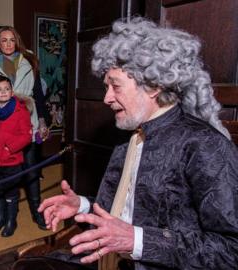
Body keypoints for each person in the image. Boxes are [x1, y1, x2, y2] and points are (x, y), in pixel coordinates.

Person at [14, 17, 238, 270]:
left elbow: (231, 250)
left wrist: (136, 239)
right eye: (106, 86)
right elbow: (128, 207)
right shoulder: (130, 133)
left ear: (153, 85)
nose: (107, 98)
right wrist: (82, 205)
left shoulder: (206, 146)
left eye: (115, 86)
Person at [0, 26, 48, 230]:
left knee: (31, 171)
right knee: (0, 172)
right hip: (2, 125)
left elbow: (38, 94)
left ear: (16, 41)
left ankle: (37, 212)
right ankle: (3, 216)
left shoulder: (30, 62)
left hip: (26, 121)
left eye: (12, 40)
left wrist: (43, 121)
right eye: (4, 40)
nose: (8, 44)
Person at [0, 75, 32, 237]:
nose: (3, 92)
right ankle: (0, 218)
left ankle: (11, 221)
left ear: (12, 92)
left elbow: (26, 135)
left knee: (11, 192)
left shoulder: (20, 110)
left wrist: (10, 147)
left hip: (12, 160)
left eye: (7, 89)